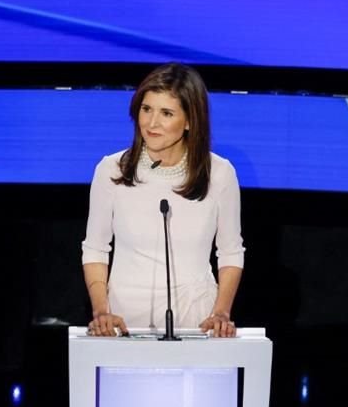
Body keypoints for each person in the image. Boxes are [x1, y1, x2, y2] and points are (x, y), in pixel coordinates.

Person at [81, 63, 243, 338]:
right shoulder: (111, 170)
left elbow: (230, 252)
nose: (151, 123)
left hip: (195, 321)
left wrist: (221, 313)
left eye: (166, 113)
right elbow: (96, 249)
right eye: (146, 109)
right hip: (125, 323)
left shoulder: (220, 174)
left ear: (190, 120)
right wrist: (101, 311)